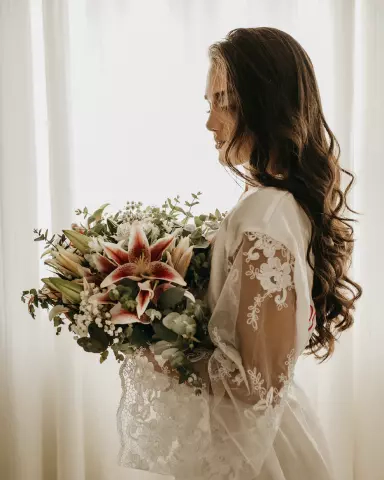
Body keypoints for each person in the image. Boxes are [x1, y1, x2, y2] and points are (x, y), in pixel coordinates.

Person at [117, 27, 362, 480]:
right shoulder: (280, 205)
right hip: (264, 437)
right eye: (208, 104)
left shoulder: (266, 213)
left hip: (253, 453)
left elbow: (255, 383)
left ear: (267, 103)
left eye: (224, 103)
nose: (211, 123)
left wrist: (157, 349)